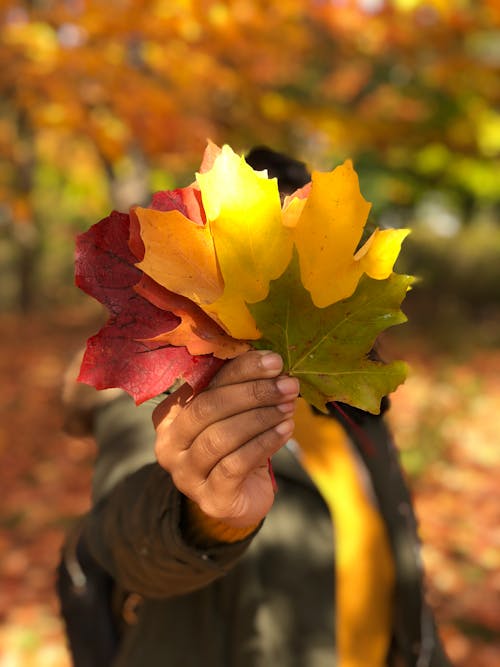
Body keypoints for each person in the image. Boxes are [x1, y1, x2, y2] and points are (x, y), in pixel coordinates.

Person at [57, 148, 452, 667]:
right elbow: (128, 540)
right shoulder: (175, 386)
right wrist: (206, 515)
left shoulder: (353, 405)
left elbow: (399, 565)